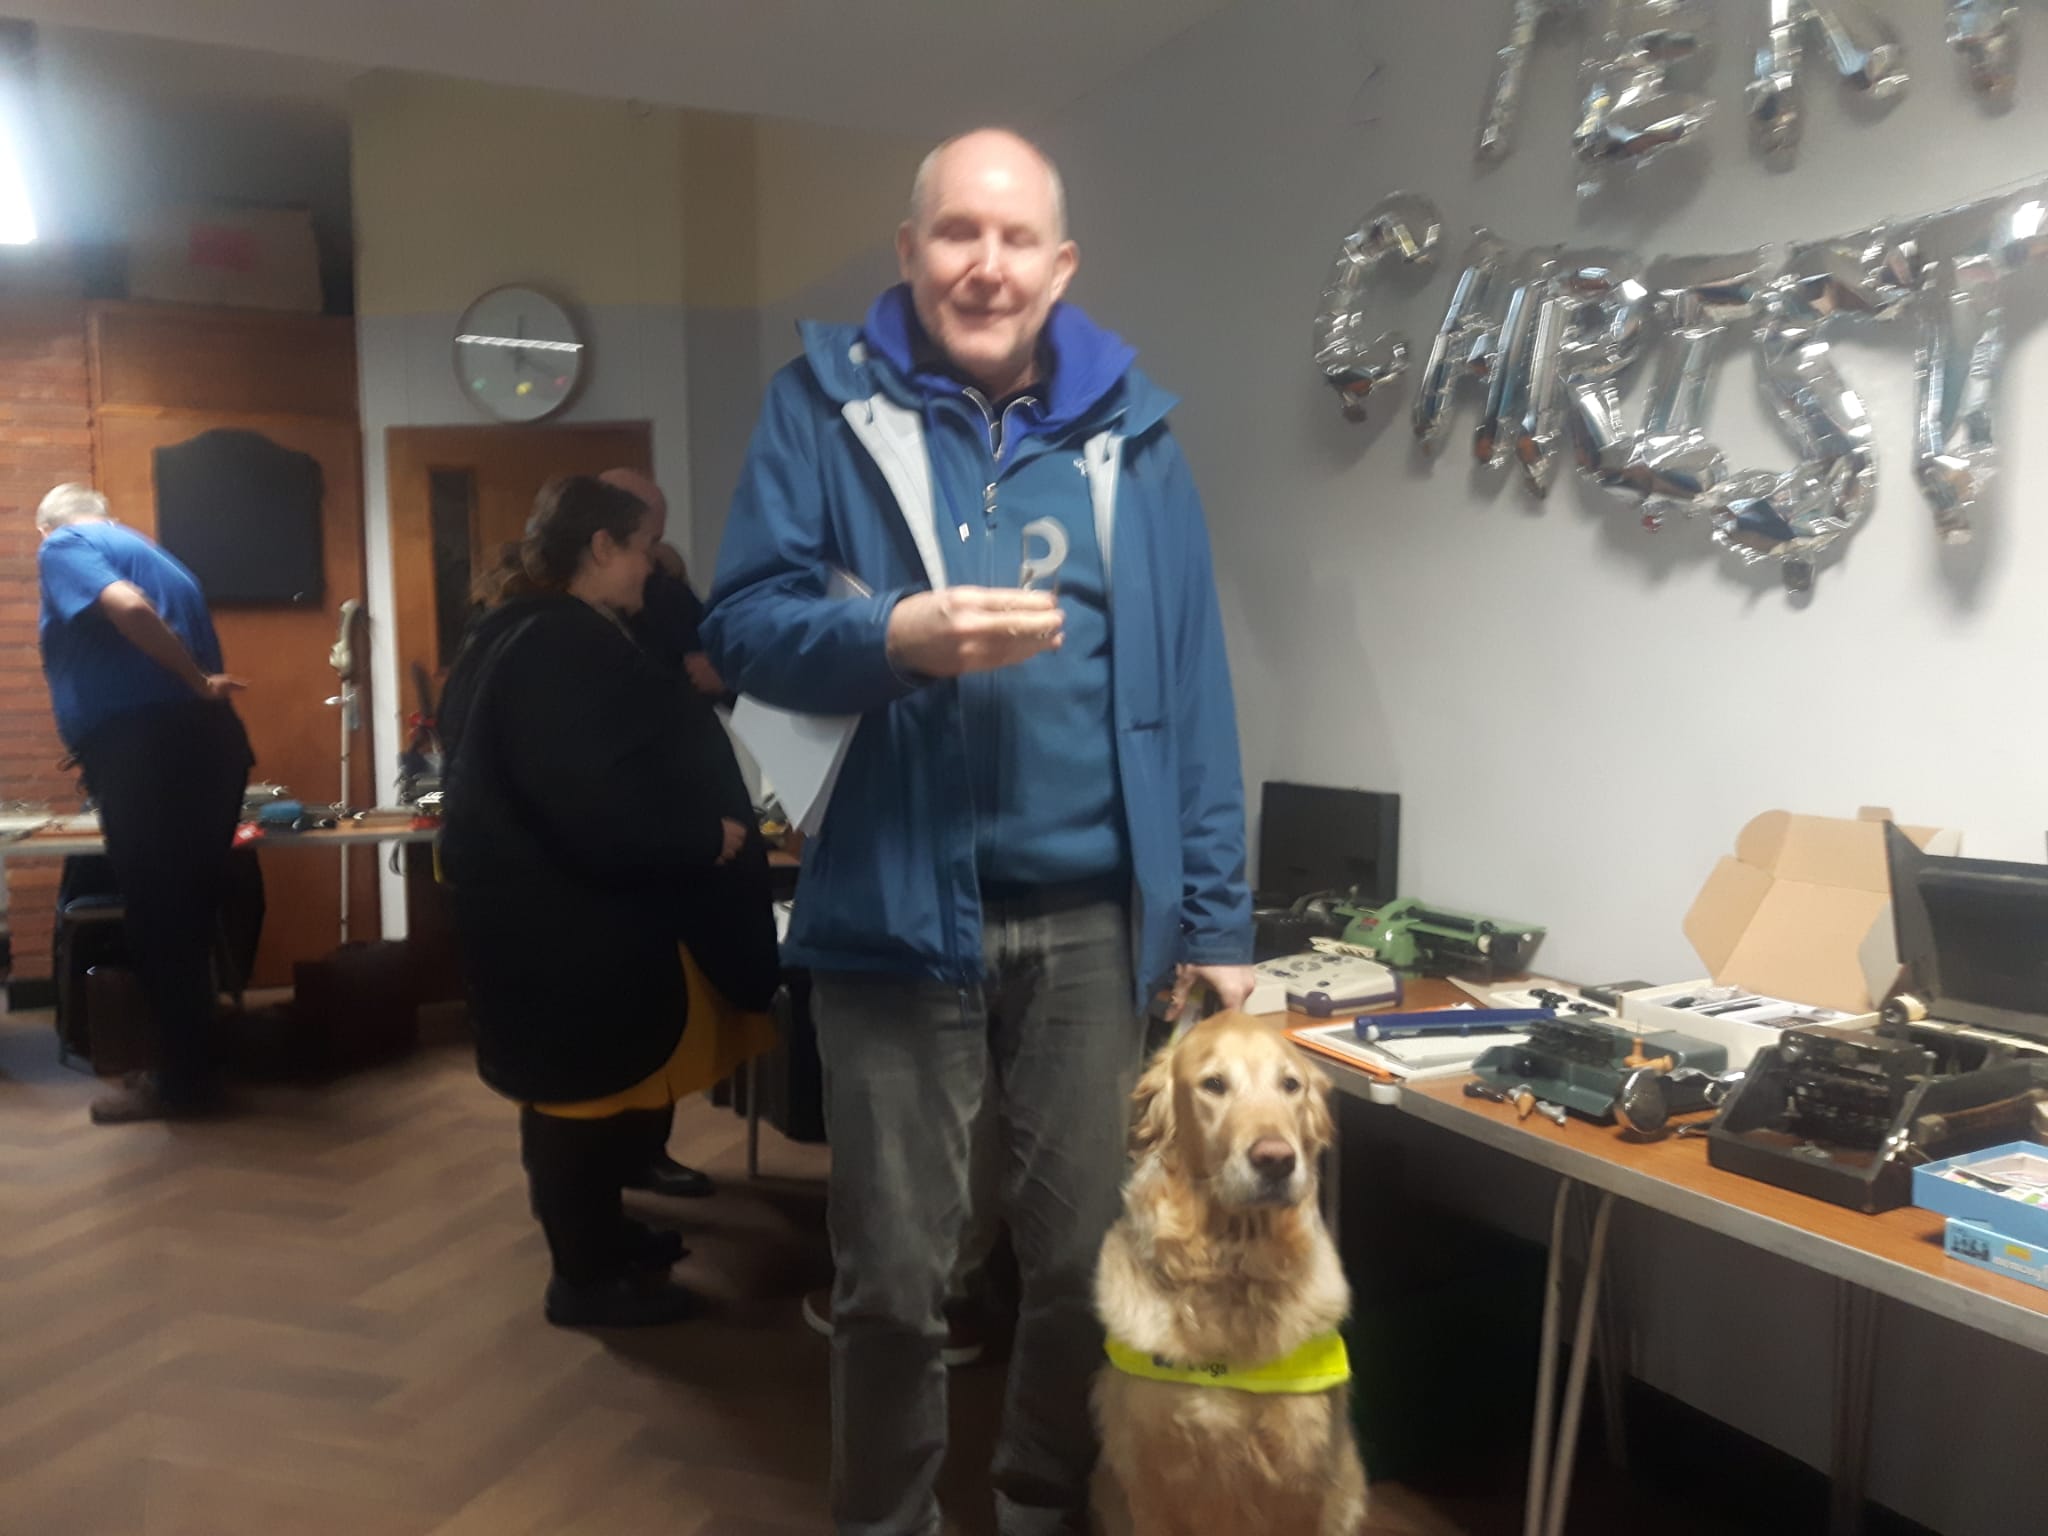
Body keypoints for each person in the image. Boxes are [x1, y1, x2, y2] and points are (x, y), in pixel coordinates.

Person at [702, 129, 1257, 1534]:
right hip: (892, 915)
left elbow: (1193, 691)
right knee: (894, 1275)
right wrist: (890, 634)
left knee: (1080, 1265)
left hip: (1091, 928)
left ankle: (1034, 1507)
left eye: (1018, 241)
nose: (986, 266)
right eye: (957, 232)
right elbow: (742, 631)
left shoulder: (1140, 442)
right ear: (910, 251)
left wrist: (1219, 922)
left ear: (1060, 268)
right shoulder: (819, 411)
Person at [438, 475, 779, 1329]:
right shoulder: (561, 644)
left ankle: (602, 1240)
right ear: (600, 548)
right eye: (639, 554)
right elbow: (591, 795)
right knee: (574, 1104)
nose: (648, 573)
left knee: (579, 1095)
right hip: (565, 919)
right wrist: (703, 836)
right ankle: (582, 1279)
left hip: (551, 912)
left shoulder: (520, 630)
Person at [35, 484, 254, 1126]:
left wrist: (192, 680)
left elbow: (126, 609)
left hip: (150, 755)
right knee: (185, 914)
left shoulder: (67, 545)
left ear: (48, 529)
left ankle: (184, 1086)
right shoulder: (158, 556)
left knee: (161, 919)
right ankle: (194, 1070)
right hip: (205, 750)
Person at [595, 465, 773, 1202]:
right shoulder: (566, 628)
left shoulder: (660, 592)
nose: (656, 554)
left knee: (669, 992)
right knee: (624, 1002)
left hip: (674, 828)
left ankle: (644, 1151)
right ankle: (610, 1171)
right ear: (609, 541)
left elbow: (711, 657)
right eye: (648, 539)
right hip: (628, 836)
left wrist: (722, 678)